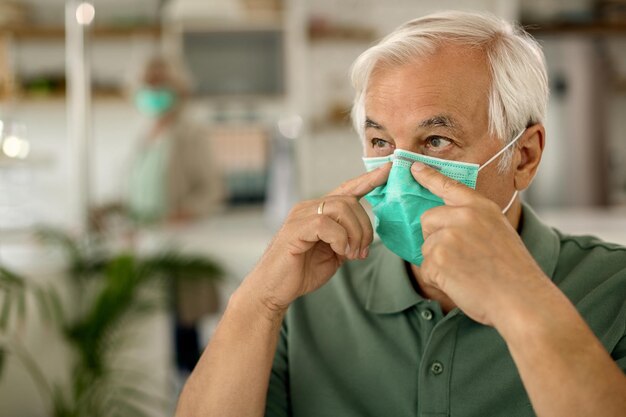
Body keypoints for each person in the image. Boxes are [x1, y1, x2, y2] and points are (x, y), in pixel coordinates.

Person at [175, 11, 626, 417]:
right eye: (382, 144)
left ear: (524, 157)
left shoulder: (614, 291)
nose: (401, 175)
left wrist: (522, 302)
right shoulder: (309, 296)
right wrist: (255, 304)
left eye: (435, 141)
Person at [129, 55, 222, 374]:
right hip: (146, 245)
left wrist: (185, 213)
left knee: (184, 331)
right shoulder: (145, 134)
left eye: (160, 82)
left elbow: (211, 190)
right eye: (148, 83)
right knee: (152, 335)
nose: (153, 89)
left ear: (178, 89)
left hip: (182, 246)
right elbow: (138, 190)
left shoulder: (190, 132)